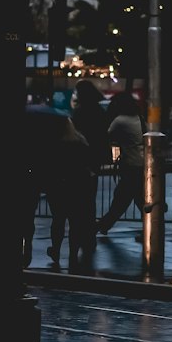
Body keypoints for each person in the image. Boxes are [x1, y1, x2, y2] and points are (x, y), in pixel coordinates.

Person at [45, 117, 94, 273]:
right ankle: (73, 253)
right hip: (78, 185)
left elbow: (49, 165)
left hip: (58, 186)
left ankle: (56, 250)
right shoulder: (80, 140)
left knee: (58, 220)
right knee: (75, 222)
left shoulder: (54, 142)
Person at [69, 79, 109, 261]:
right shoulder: (100, 112)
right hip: (94, 161)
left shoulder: (78, 114)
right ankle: (89, 238)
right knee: (89, 201)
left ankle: (77, 239)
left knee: (77, 202)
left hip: (78, 161)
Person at [95, 92, 145, 234]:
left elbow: (106, 135)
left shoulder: (120, 120)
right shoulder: (139, 118)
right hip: (142, 164)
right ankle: (105, 225)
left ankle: (103, 225)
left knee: (122, 198)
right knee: (136, 199)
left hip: (131, 164)